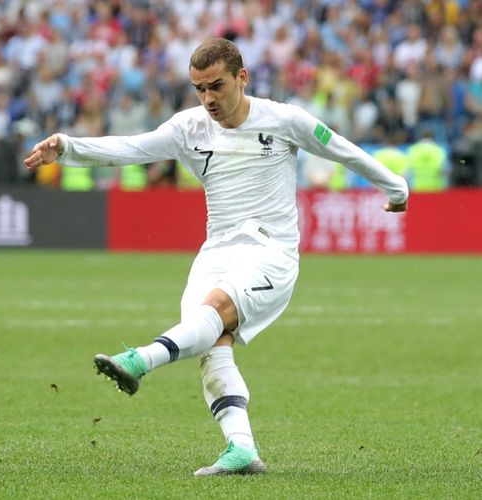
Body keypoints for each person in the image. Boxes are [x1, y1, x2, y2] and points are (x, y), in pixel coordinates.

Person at [23, 38, 408, 476]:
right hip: (217, 252)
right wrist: (68, 148)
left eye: (217, 86)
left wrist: (397, 189)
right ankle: (241, 448)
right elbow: (132, 148)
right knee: (210, 344)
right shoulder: (189, 128)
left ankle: (139, 360)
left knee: (212, 311)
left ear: (241, 78)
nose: (208, 99)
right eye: (199, 88)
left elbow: (342, 149)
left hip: (270, 251)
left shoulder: (283, 120)